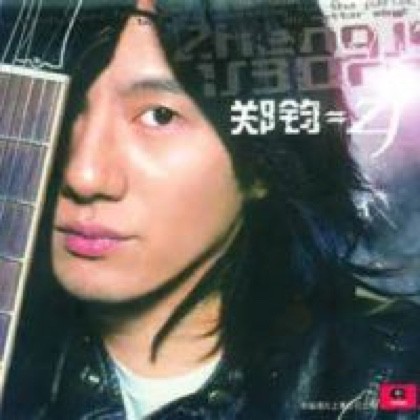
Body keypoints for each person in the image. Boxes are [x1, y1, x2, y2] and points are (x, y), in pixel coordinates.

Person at [3, 0, 420, 419]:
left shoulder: (391, 375)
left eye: (160, 116)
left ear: (263, 164)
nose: (84, 175)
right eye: (67, 107)